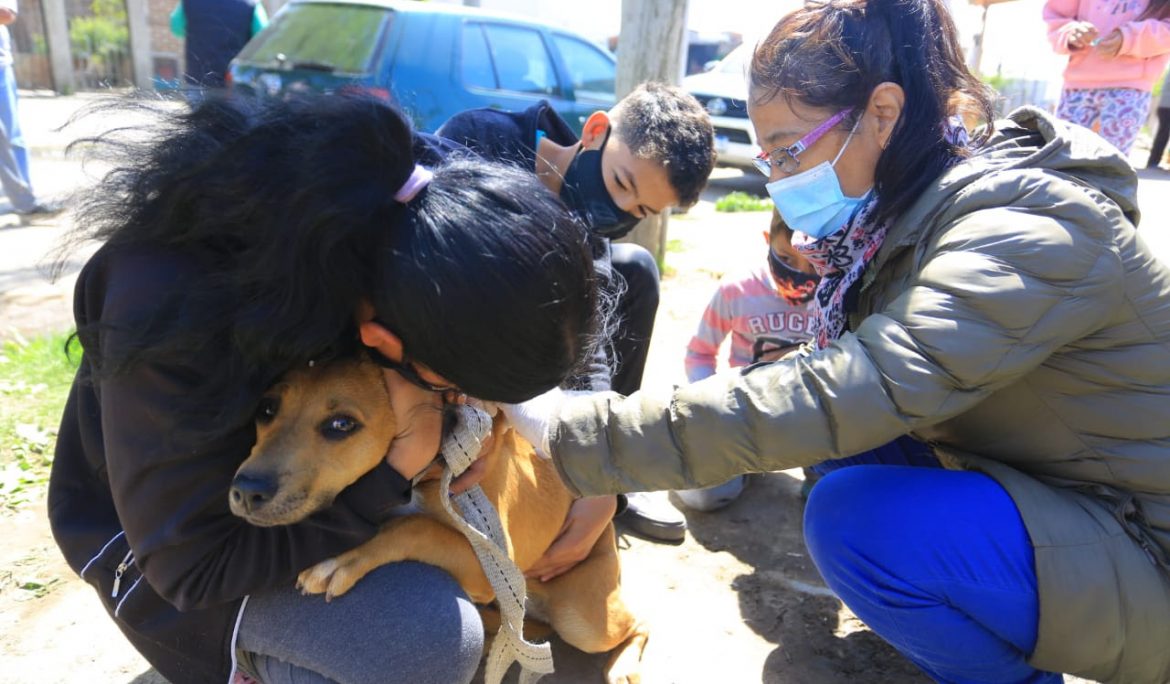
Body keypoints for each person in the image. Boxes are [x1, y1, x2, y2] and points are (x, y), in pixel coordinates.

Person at [497, 0, 1170, 681]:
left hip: (1148, 550)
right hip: (1072, 489)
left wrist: (574, 433)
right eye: (768, 157)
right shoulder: (905, 218)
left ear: (882, 113)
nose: (779, 181)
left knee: (853, 522)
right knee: (840, 457)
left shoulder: (1020, 233)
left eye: (790, 150)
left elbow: (843, 392)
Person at [48, 94, 607, 684]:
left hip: (288, 492)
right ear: (379, 338)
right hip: (172, 550)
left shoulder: (413, 208)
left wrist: (570, 457)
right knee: (422, 638)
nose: (462, 403)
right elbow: (193, 570)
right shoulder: (164, 304)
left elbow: (525, 311)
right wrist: (391, 476)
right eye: (454, 386)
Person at [438, 83, 716, 546]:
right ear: (595, 131)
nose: (621, 210)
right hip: (455, 326)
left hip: (526, 353)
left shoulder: (593, 229)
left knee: (635, 271)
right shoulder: (480, 139)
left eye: (641, 210)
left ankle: (614, 468)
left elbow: (591, 346)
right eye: (622, 184)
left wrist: (599, 472)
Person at [674, 209, 818, 511]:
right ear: (768, 241)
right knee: (706, 496)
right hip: (745, 416)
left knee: (837, 493)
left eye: (814, 261)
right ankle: (696, 457)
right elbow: (700, 353)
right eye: (787, 259)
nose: (800, 273)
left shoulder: (834, 294)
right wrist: (712, 403)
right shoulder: (736, 290)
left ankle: (818, 475)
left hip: (810, 419)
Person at [1044, 0, 1170, 156]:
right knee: (1062, 157)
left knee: (1110, 162)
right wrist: (1071, 31)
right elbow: (1056, 16)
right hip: (1077, 86)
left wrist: (1130, 37)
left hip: (1130, 88)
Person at [0, 1, 59, 217]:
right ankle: (24, 201)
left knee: (11, 137)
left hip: (1, 69)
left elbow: (6, 14)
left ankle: (24, 198)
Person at [170, 0, 267, 91]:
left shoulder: (188, 2)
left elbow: (176, 29)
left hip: (197, 80)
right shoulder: (251, 3)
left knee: (198, 107)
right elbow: (264, 37)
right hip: (233, 81)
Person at [1147, 67, 1170, 168]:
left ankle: (1153, 162)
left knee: (1162, 134)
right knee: (1163, 134)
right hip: (1167, 106)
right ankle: (1153, 162)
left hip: (1164, 105)